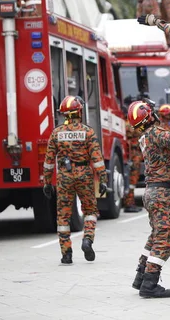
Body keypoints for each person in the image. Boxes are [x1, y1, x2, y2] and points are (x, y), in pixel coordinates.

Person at [128, 100, 170, 298]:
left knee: (156, 235)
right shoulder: (155, 132)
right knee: (164, 239)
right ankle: (150, 283)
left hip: (152, 191)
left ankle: (141, 275)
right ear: (150, 115)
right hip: (162, 192)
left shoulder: (145, 136)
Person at [43, 96, 108, 265]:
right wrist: (103, 179)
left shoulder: (56, 133)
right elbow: (97, 159)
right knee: (90, 210)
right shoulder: (88, 132)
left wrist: (47, 182)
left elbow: (49, 161)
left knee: (63, 215)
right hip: (84, 174)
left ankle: (66, 253)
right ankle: (87, 239)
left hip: (64, 176)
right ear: (79, 111)